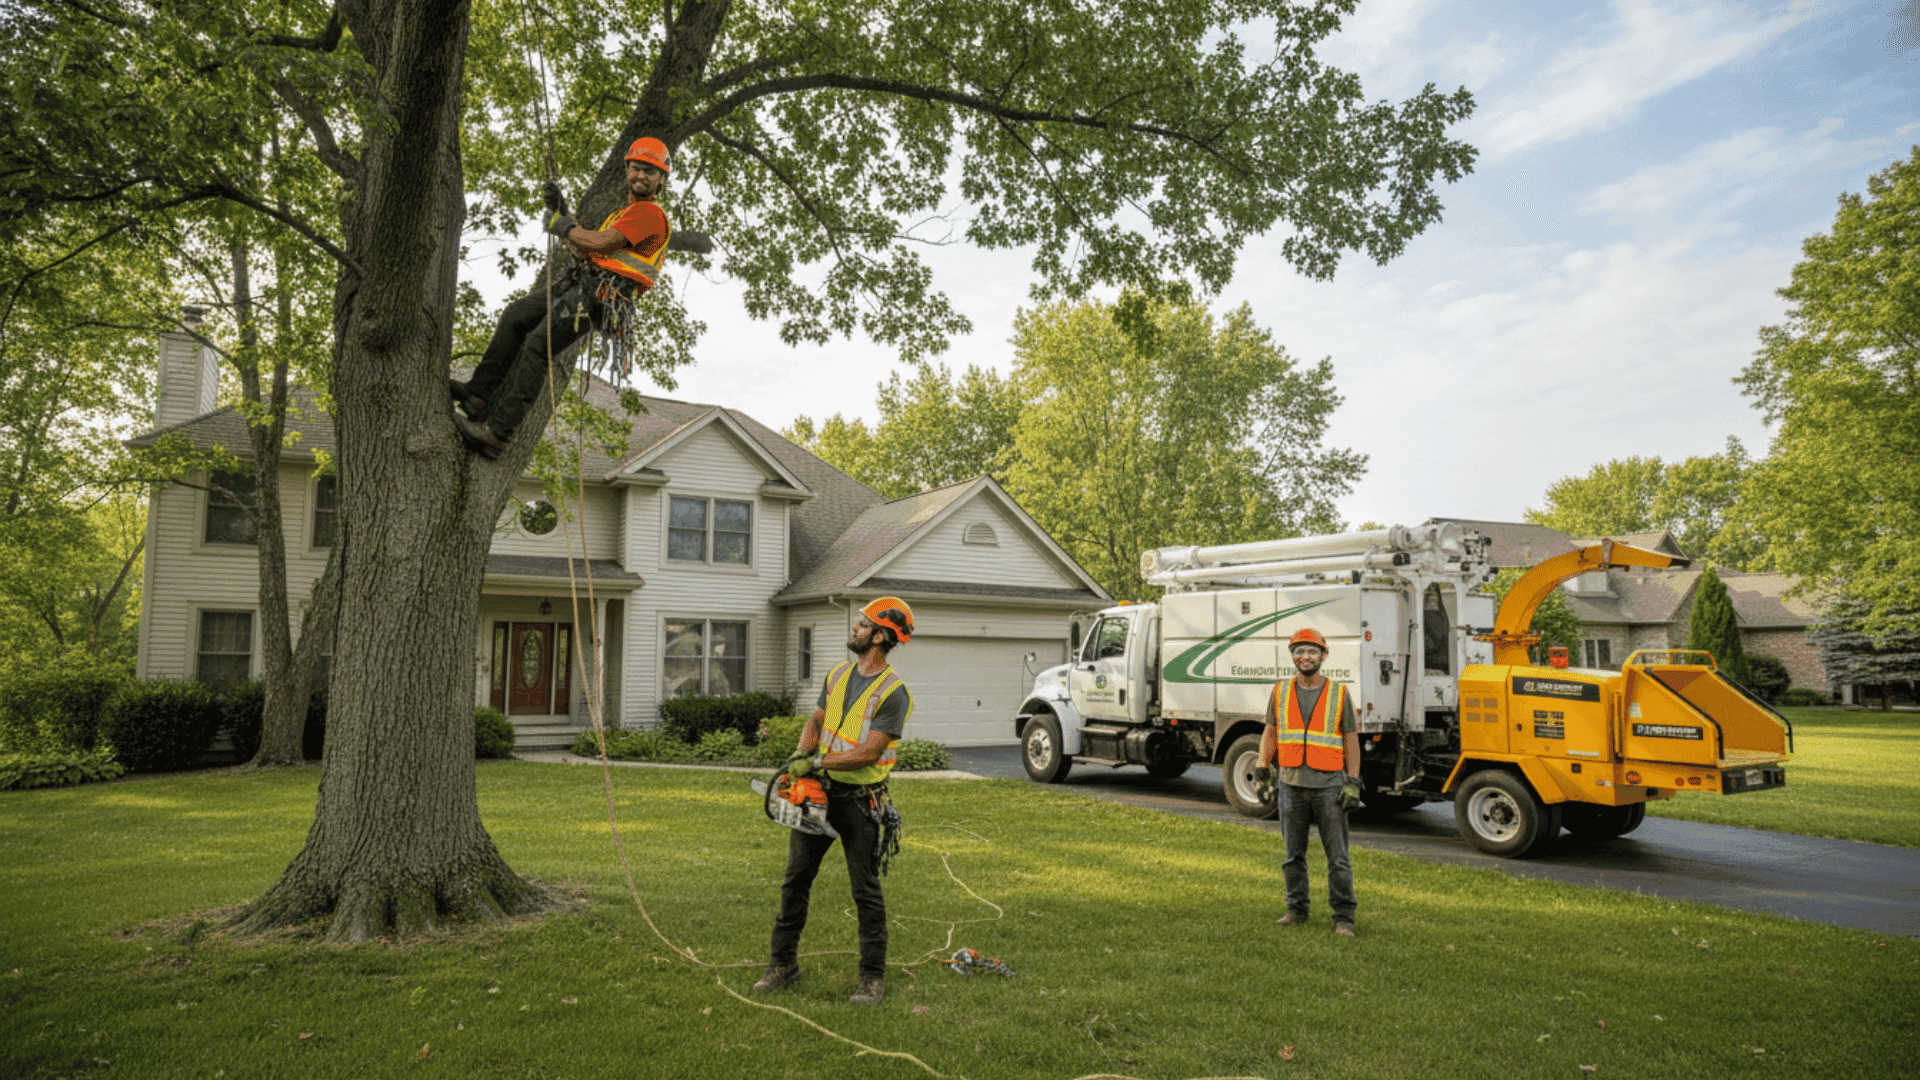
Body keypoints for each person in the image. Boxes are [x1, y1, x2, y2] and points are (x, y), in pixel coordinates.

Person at [452, 136, 696, 458]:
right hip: (581, 282)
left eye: (650, 172)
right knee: (516, 316)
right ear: (627, 170)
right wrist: (562, 212)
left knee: (539, 346)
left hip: (601, 295)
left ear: (661, 179)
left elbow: (600, 243)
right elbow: (588, 244)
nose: (641, 176)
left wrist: (563, 226)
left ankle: (497, 434)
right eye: (637, 168)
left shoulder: (650, 214)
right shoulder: (623, 214)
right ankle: (479, 394)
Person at [753, 597, 916, 1006]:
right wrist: (798, 756)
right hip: (818, 795)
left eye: (863, 625)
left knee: (865, 890)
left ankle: (872, 978)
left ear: (880, 636)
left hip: (861, 801)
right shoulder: (838, 673)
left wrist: (818, 760)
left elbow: (868, 753)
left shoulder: (894, 693)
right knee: (796, 880)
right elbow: (816, 720)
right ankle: (782, 964)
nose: (855, 629)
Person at [1256, 627, 1363, 937]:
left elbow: (1350, 741)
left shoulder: (1339, 693)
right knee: (1292, 856)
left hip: (1329, 786)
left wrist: (1353, 780)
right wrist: (1263, 768)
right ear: (1292, 656)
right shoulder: (1280, 691)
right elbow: (1271, 733)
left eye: (1312, 651)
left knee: (1338, 858)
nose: (1305, 657)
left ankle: (1344, 918)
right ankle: (1296, 910)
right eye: (1299, 651)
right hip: (1290, 785)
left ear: (1323, 656)